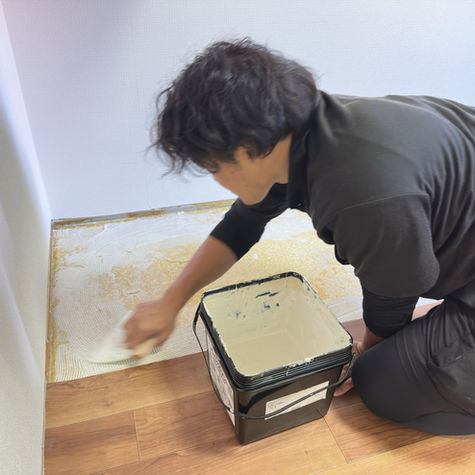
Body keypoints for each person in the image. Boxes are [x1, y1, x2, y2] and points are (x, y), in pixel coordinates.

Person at [124, 38, 475, 435]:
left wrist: (366, 355)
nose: (215, 179)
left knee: (381, 382)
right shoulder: (298, 132)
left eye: (212, 167)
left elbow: (394, 294)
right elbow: (240, 225)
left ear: (247, 149)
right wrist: (169, 303)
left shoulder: (361, 188)